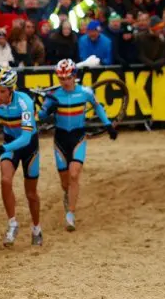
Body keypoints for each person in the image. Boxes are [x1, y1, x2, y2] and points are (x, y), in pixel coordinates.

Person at [38, 59, 117, 231]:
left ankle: (70, 214)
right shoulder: (54, 95)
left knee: (74, 175)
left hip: (78, 137)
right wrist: (47, 112)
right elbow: (41, 115)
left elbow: (98, 107)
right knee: (65, 181)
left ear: (74, 76)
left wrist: (108, 125)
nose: (64, 82)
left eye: (67, 78)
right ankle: (67, 195)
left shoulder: (85, 92)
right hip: (60, 139)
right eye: (61, 79)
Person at [0, 68, 42, 246]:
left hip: (29, 145)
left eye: (2, 91)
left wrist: (1, 149)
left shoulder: (24, 102)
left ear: (11, 90)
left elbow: (25, 137)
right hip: (9, 145)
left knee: (31, 193)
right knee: (5, 181)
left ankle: (36, 228)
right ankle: (13, 223)